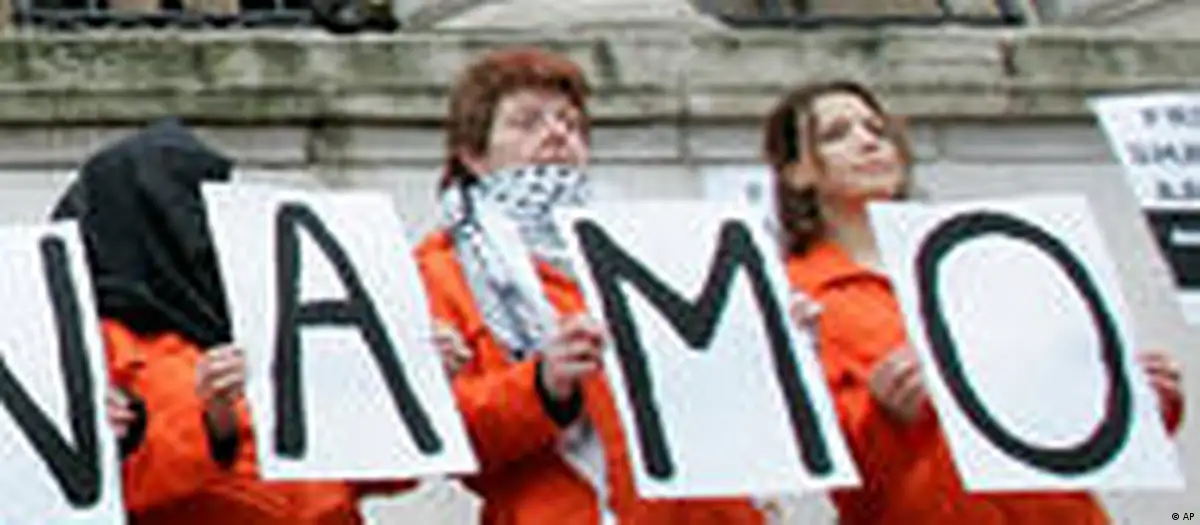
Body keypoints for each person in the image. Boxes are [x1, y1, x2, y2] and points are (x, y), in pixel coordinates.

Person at [764, 80, 1186, 524]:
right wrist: (883, 416)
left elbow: (1061, 405)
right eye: (836, 134)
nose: (868, 141)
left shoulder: (984, 258)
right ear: (795, 173)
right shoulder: (795, 296)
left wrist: (1138, 402)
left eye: (877, 129)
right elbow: (815, 457)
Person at [415, 46, 766, 525]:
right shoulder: (442, 271)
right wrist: (543, 385)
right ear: (472, 155)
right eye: (526, 122)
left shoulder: (653, 246)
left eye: (569, 122)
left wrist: (771, 337)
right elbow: (446, 437)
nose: (556, 132)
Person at [52, 118, 416, 524]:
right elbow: (82, 493)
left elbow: (383, 472)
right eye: (192, 201)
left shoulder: (276, 310)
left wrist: (412, 375)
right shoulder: (87, 343)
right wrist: (211, 423)